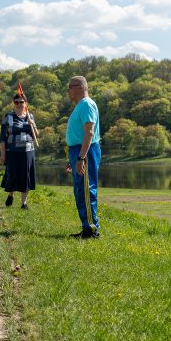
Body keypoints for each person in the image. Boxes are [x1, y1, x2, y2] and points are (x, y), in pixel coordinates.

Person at [66, 76, 101, 238]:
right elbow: (79, 134)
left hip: (85, 152)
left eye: (70, 87)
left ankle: (92, 230)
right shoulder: (81, 106)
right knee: (80, 190)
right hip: (78, 152)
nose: (68, 90)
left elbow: (89, 132)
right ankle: (86, 227)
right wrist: (72, 159)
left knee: (87, 190)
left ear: (80, 87)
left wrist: (81, 158)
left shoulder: (87, 104)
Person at [0, 92, 38, 209]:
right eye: (16, 102)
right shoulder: (9, 117)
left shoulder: (30, 116)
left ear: (25, 103)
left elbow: (36, 134)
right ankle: (11, 195)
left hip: (27, 151)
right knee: (12, 174)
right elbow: (2, 138)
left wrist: (32, 125)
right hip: (12, 151)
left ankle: (24, 203)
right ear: (14, 103)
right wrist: (3, 155)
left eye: (21, 102)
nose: (19, 104)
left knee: (25, 175)